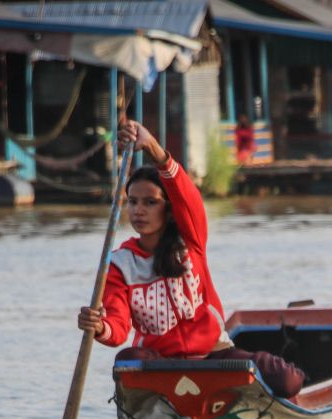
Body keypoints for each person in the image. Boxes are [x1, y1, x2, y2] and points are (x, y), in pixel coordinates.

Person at [78, 120, 305, 398]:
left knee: (289, 382)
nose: (139, 210)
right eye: (133, 202)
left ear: (169, 209)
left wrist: (151, 146)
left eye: (150, 202)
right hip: (164, 366)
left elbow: (186, 195)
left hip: (214, 356)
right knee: (128, 358)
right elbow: (118, 327)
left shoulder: (190, 240)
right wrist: (100, 326)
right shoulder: (120, 264)